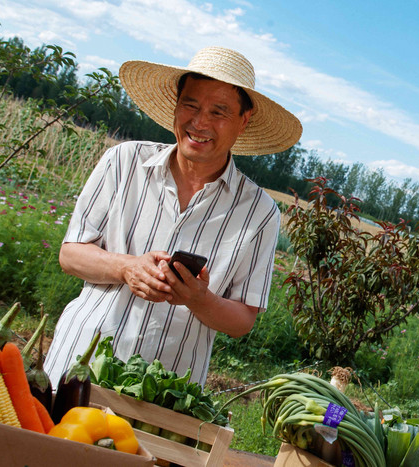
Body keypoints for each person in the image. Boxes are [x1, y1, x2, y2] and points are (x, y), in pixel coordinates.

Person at [44, 46, 302, 388]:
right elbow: (71, 254)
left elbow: (243, 319)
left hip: (163, 388)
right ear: (176, 106)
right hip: (78, 362)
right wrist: (126, 267)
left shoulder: (258, 212)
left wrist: (199, 299)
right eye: (190, 105)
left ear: (243, 121)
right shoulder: (123, 162)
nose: (199, 122)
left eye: (219, 112)